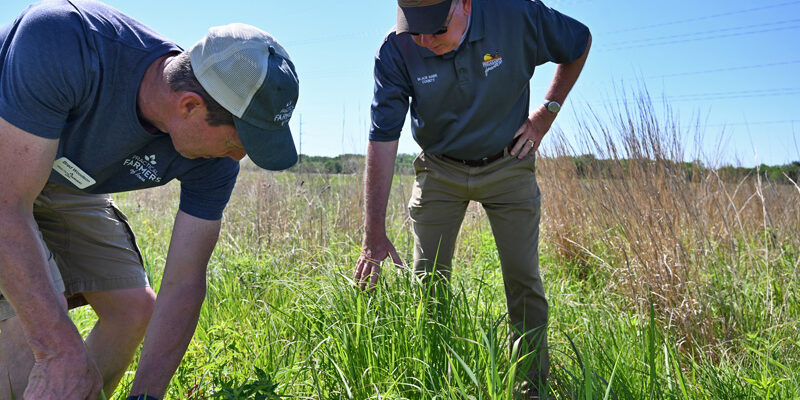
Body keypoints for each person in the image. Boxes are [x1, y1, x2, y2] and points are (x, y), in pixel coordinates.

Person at [0, 0, 299, 398]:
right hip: (8, 165)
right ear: (190, 105)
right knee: (34, 319)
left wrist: (147, 395)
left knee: (132, 307)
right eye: (237, 141)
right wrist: (58, 352)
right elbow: (6, 207)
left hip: (63, 177)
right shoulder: (65, 41)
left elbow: (184, 280)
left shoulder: (214, 160)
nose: (237, 158)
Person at [353, 0, 591, 396]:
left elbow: (579, 42)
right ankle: (431, 382)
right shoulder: (396, 49)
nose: (426, 41)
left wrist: (545, 116)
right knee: (428, 284)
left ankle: (531, 386)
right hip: (440, 170)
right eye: (416, 30)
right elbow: (383, 138)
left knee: (523, 280)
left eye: (436, 28)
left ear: (464, 4)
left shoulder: (516, 16)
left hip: (507, 162)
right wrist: (373, 233)